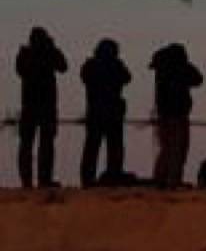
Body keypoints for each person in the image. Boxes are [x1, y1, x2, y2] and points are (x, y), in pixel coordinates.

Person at [16, 27, 68, 188]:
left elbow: (63, 67)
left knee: (29, 144)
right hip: (43, 105)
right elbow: (63, 66)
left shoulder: (25, 54)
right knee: (42, 145)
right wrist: (50, 50)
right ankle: (41, 180)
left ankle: (30, 181)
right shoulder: (34, 54)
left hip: (32, 106)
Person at [150, 43, 203, 188]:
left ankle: (161, 179)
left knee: (167, 149)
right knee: (177, 149)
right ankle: (172, 180)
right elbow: (198, 79)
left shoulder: (162, 68)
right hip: (178, 114)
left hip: (164, 113)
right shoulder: (180, 68)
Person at [79, 38, 132, 187]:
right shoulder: (115, 65)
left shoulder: (91, 65)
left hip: (96, 111)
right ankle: (112, 176)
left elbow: (84, 77)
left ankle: (88, 179)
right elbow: (127, 78)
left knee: (92, 147)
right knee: (113, 147)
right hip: (112, 111)